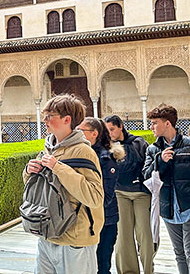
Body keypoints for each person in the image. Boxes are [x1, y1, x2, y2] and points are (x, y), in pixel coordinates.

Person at [24, 94, 104, 274]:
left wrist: (59, 168)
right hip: (47, 234)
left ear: (67, 119)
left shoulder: (83, 151)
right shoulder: (47, 148)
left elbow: (95, 197)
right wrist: (29, 172)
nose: (44, 120)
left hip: (75, 240)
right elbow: (37, 188)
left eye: (50, 115)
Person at [143, 104, 190, 274]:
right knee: (179, 254)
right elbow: (146, 176)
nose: (151, 127)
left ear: (167, 124)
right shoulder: (153, 150)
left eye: (154, 123)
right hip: (168, 208)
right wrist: (160, 161)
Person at [105, 115, 155, 274]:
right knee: (124, 235)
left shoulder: (138, 142)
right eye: (107, 131)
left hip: (141, 193)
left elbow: (143, 165)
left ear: (120, 126)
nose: (110, 133)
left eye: (112, 129)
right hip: (119, 192)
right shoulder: (107, 146)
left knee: (145, 234)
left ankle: (148, 270)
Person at [77, 117, 125, 274]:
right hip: (89, 220)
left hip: (105, 221)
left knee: (101, 265)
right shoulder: (85, 154)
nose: (77, 133)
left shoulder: (105, 158)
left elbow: (105, 195)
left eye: (81, 131)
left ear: (94, 134)